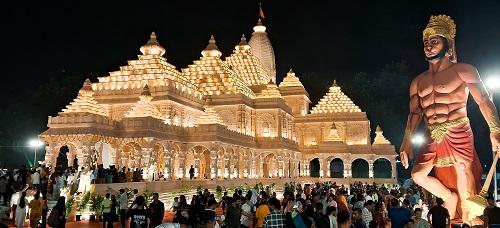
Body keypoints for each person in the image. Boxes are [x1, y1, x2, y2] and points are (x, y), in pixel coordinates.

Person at [399, 14, 500, 224]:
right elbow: (414, 114)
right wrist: (406, 141)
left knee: (464, 170)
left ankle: (471, 217)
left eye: (434, 41)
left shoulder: (464, 70)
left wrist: (495, 130)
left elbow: (483, 101)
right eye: (426, 42)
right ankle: (448, 197)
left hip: (458, 127)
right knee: (418, 175)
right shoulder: (418, 82)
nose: (428, 46)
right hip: (431, 131)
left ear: (448, 43)